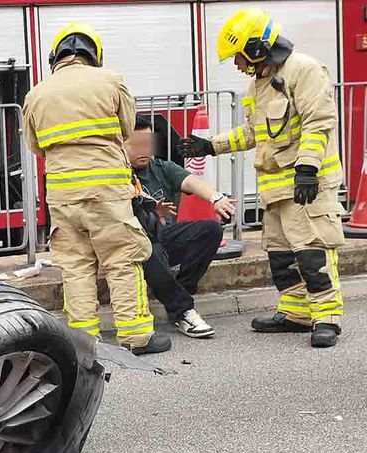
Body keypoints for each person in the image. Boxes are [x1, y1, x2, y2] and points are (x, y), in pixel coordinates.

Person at [181, 8, 345, 348]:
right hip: (276, 190)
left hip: (305, 187)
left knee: (313, 253)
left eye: (239, 57)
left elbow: (319, 121)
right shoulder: (258, 84)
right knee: (282, 256)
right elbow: (253, 133)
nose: (238, 64)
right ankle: (296, 313)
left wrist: (308, 168)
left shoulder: (304, 70)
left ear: (256, 48)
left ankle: (326, 316)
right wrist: (210, 145)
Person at [24, 23, 169, 355]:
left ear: (55, 56)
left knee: (75, 266)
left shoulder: (36, 94)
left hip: (62, 193)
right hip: (106, 189)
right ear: (94, 54)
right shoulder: (111, 81)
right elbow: (126, 127)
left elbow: (36, 146)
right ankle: (135, 336)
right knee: (122, 259)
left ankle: (83, 342)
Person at [128, 114, 237, 338]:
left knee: (210, 230)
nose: (144, 151)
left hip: (164, 235)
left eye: (147, 144)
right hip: (135, 243)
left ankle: (181, 290)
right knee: (148, 246)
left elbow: (191, 181)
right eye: (136, 144)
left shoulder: (159, 167)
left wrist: (216, 198)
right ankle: (182, 310)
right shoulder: (116, 175)